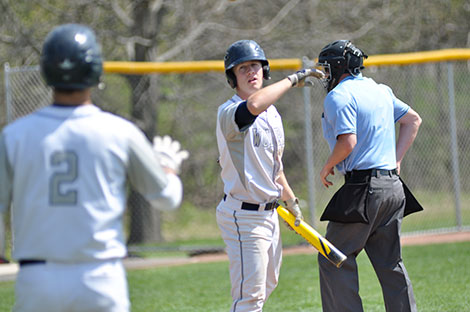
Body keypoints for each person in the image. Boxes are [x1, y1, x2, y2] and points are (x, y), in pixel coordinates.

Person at [0, 23, 188, 312]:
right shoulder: (120, 131)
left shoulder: (14, 135)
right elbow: (167, 199)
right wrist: (168, 168)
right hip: (100, 277)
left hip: (37, 278)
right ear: (95, 70)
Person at [216, 39, 324, 312]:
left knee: (267, 285)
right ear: (233, 78)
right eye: (242, 69)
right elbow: (252, 105)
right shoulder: (229, 112)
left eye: (255, 66)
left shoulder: (272, 114)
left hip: (269, 213)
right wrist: (293, 79)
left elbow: (274, 166)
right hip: (243, 215)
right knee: (250, 298)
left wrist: (290, 199)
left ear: (264, 70)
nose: (251, 72)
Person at [316, 40, 423, 312]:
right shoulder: (381, 90)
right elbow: (413, 120)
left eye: (327, 68)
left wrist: (327, 165)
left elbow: (347, 142)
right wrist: (396, 159)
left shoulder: (338, 95)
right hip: (393, 187)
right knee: (390, 263)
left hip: (364, 188)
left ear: (339, 67)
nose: (325, 75)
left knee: (333, 257)